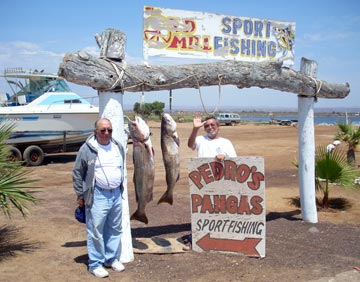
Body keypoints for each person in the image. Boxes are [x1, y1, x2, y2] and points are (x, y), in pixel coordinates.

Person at [73, 118, 126, 278]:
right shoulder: (87, 148)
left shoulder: (118, 146)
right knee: (96, 230)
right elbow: (77, 172)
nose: (106, 133)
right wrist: (80, 194)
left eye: (109, 130)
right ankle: (95, 263)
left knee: (115, 228)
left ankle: (111, 258)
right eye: (102, 130)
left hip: (116, 194)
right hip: (97, 194)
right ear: (95, 131)